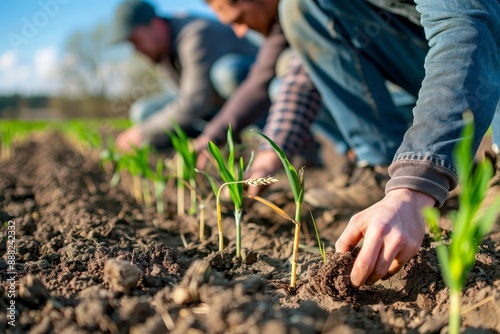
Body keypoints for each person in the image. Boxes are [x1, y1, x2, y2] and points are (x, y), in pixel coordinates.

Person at [280, 0, 499, 287]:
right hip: (442, 49)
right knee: (303, 6)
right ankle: (380, 160)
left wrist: (415, 187)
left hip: (483, 40)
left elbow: (466, 27)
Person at [110, 0, 259, 152]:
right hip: (214, 107)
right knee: (144, 113)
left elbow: (195, 101)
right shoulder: (163, 51)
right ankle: (212, 147)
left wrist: (144, 132)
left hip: (252, 92)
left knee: (227, 74)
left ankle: (266, 139)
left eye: (137, 40)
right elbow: (183, 98)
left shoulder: (195, 34)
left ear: (155, 24)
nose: (137, 49)